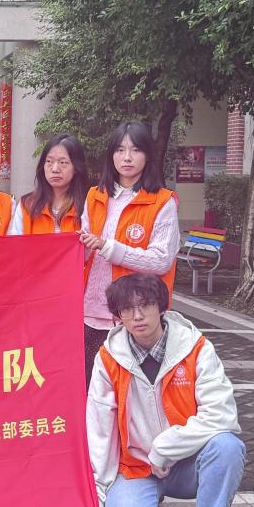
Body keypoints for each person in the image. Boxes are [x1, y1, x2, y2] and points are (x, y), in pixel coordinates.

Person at [86, 272, 244, 507]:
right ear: (117, 316)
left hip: (187, 464)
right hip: (137, 466)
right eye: (127, 309)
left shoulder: (195, 348)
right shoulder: (108, 357)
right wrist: (100, 489)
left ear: (161, 306)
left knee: (227, 447)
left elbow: (222, 414)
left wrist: (164, 449)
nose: (137, 316)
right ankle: (145, 503)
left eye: (145, 305)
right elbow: (100, 425)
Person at [79, 122, 180, 386]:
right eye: (120, 150)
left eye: (135, 150)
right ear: (111, 155)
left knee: (131, 389)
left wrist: (108, 247)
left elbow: (161, 260)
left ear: (147, 155)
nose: (126, 158)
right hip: (89, 313)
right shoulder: (95, 196)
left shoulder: (162, 201)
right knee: (91, 388)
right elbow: (84, 250)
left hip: (135, 315)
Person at [18, 134, 91, 235]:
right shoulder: (27, 204)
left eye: (63, 162)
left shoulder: (88, 205)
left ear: (76, 167)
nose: (55, 169)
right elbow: (15, 242)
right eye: (49, 161)